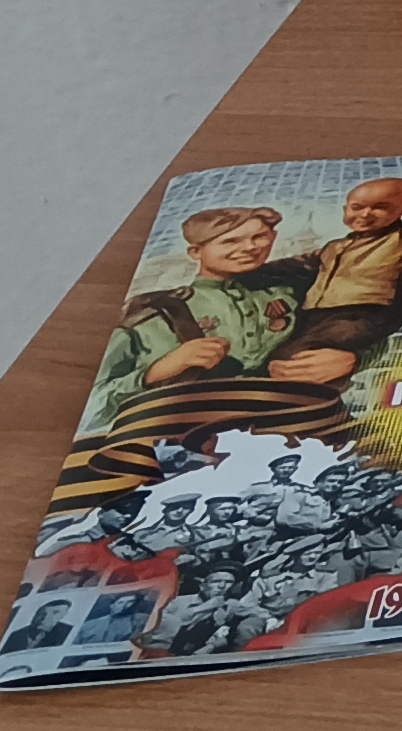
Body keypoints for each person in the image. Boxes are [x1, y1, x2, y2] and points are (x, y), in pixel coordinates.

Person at [54, 207, 361, 509]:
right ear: (195, 252)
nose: (249, 248)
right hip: (193, 460)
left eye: (259, 237)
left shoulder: (298, 292)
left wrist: (351, 359)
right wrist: (156, 372)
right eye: (231, 241)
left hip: (298, 441)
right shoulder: (151, 316)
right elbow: (93, 409)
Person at [276, 155, 402, 379]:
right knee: (288, 347)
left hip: (365, 310)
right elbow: (303, 264)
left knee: (307, 351)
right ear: (346, 208)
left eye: (380, 208)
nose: (365, 214)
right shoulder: (336, 246)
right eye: (357, 207)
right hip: (321, 313)